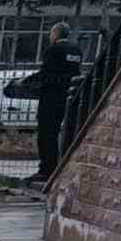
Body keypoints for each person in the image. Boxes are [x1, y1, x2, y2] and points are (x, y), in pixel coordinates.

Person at [31, 23, 83, 183]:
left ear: (56, 33)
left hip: (51, 97)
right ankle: (59, 166)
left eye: (51, 33)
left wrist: (30, 82)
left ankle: (46, 169)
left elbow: (46, 73)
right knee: (64, 133)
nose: (49, 36)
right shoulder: (76, 50)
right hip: (68, 97)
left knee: (47, 134)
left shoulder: (53, 50)